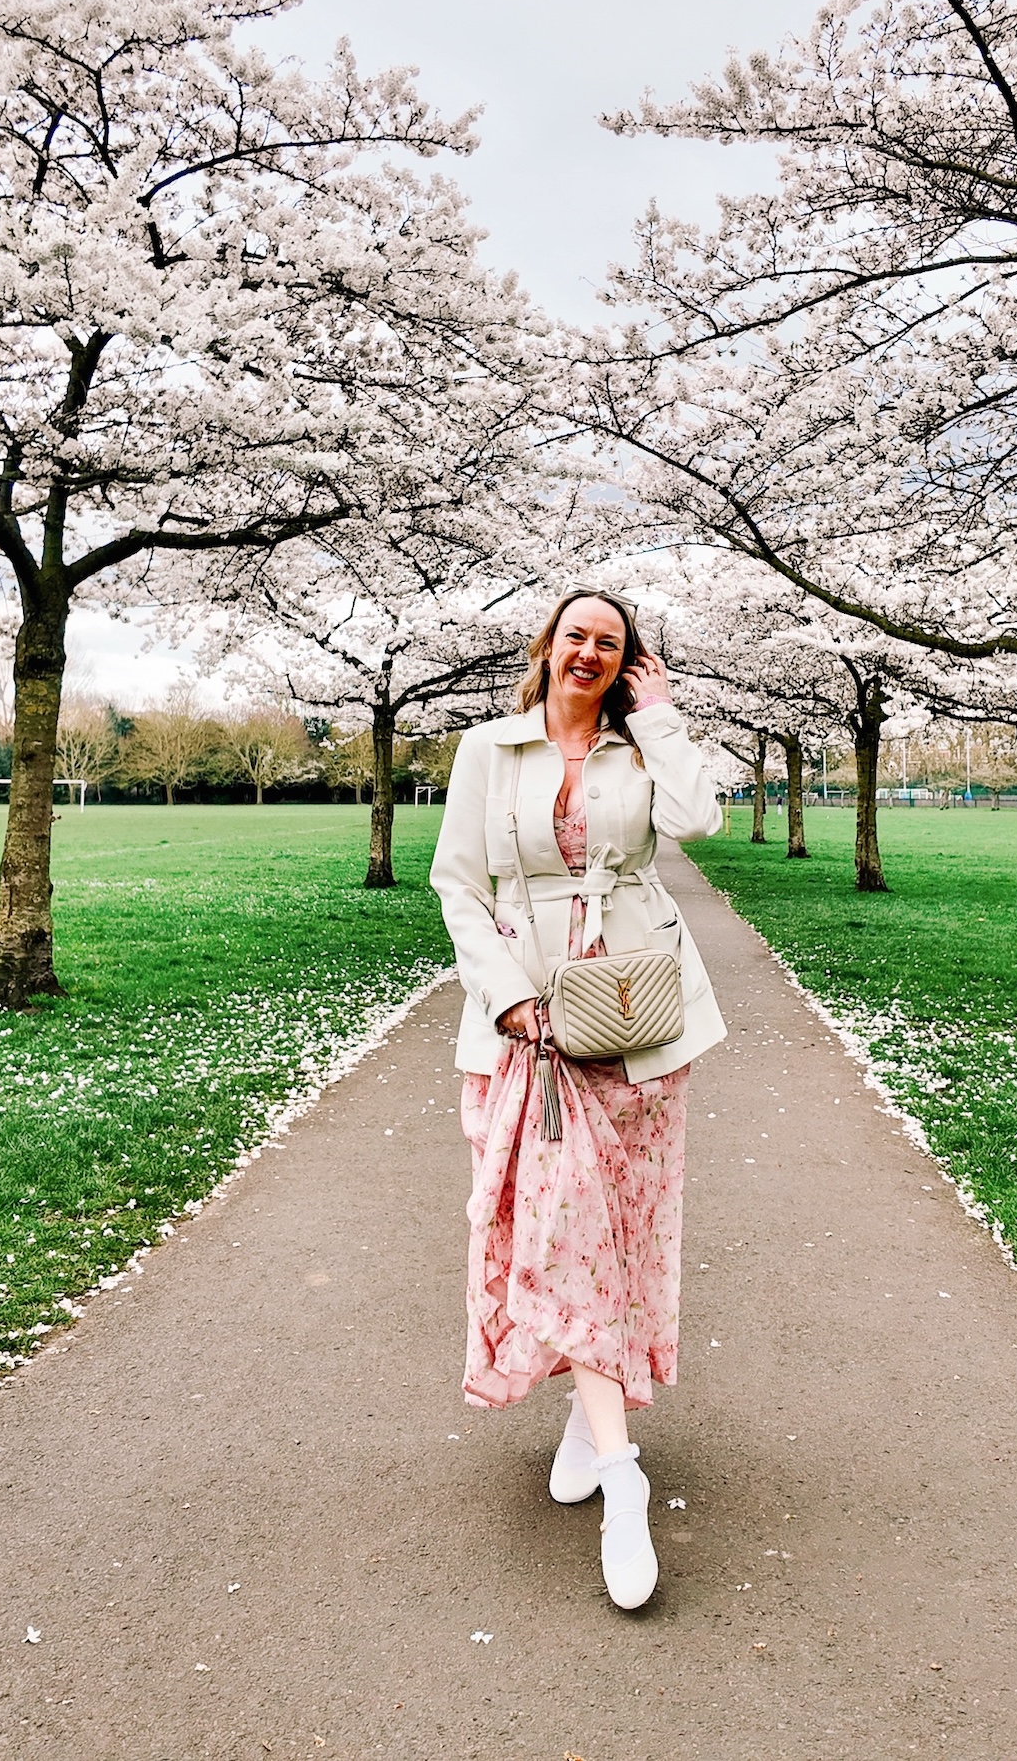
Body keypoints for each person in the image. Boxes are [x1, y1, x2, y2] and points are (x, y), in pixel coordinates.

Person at [430, 588, 725, 1609]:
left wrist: (663, 717)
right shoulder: (487, 751)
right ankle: (624, 1472)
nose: (590, 652)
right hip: (528, 1025)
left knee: (617, 1234)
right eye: (576, 636)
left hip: (636, 1018)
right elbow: (458, 883)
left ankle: (592, 1433)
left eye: (610, 642)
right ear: (547, 647)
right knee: (559, 1231)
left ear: (625, 660)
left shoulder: (643, 746)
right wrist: (507, 996)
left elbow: (701, 821)